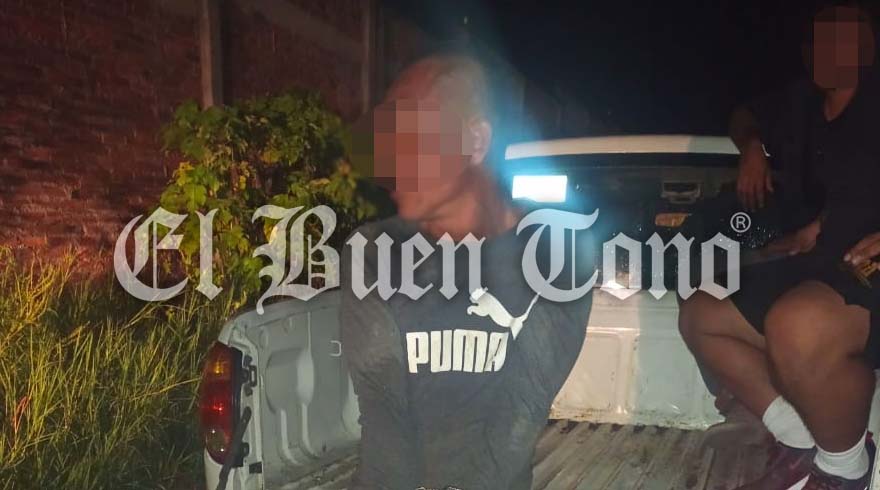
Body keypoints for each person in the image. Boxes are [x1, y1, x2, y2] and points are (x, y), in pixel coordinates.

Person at [340, 53, 595, 490]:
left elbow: (518, 417)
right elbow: (383, 416)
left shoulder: (559, 254)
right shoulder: (372, 252)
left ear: (475, 141)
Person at [680, 2, 880, 488]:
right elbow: (743, 114)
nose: (832, 50)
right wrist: (752, 146)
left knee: (795, 325)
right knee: (701, 311)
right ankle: (801, 439)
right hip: (819, 258)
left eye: (845, 38)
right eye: (823, 40)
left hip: (870, 267)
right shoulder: (801, 101)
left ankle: (845, 469)